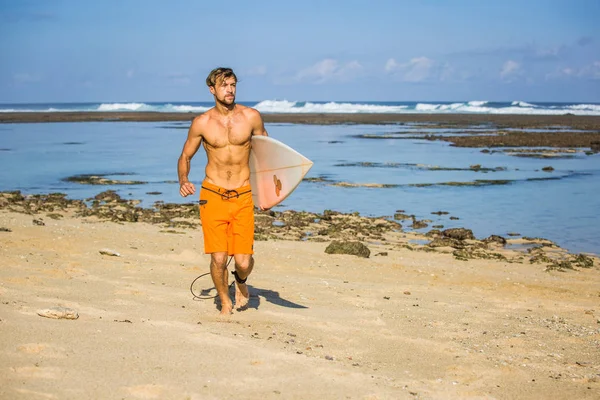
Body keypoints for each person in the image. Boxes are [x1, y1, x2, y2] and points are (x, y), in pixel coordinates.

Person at [177, 67, 268, 315]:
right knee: (218, 258)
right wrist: (183, 179)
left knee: (243, 261)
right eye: (224, 85)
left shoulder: (251, 117)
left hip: (243, 194)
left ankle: (240, 281)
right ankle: (225, 302)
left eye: (233, 85)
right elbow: (185, 156)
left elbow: (266, 156)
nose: (230, 90)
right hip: (213, 194)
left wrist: (269, 193)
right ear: (212, 89)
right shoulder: (202, 123)